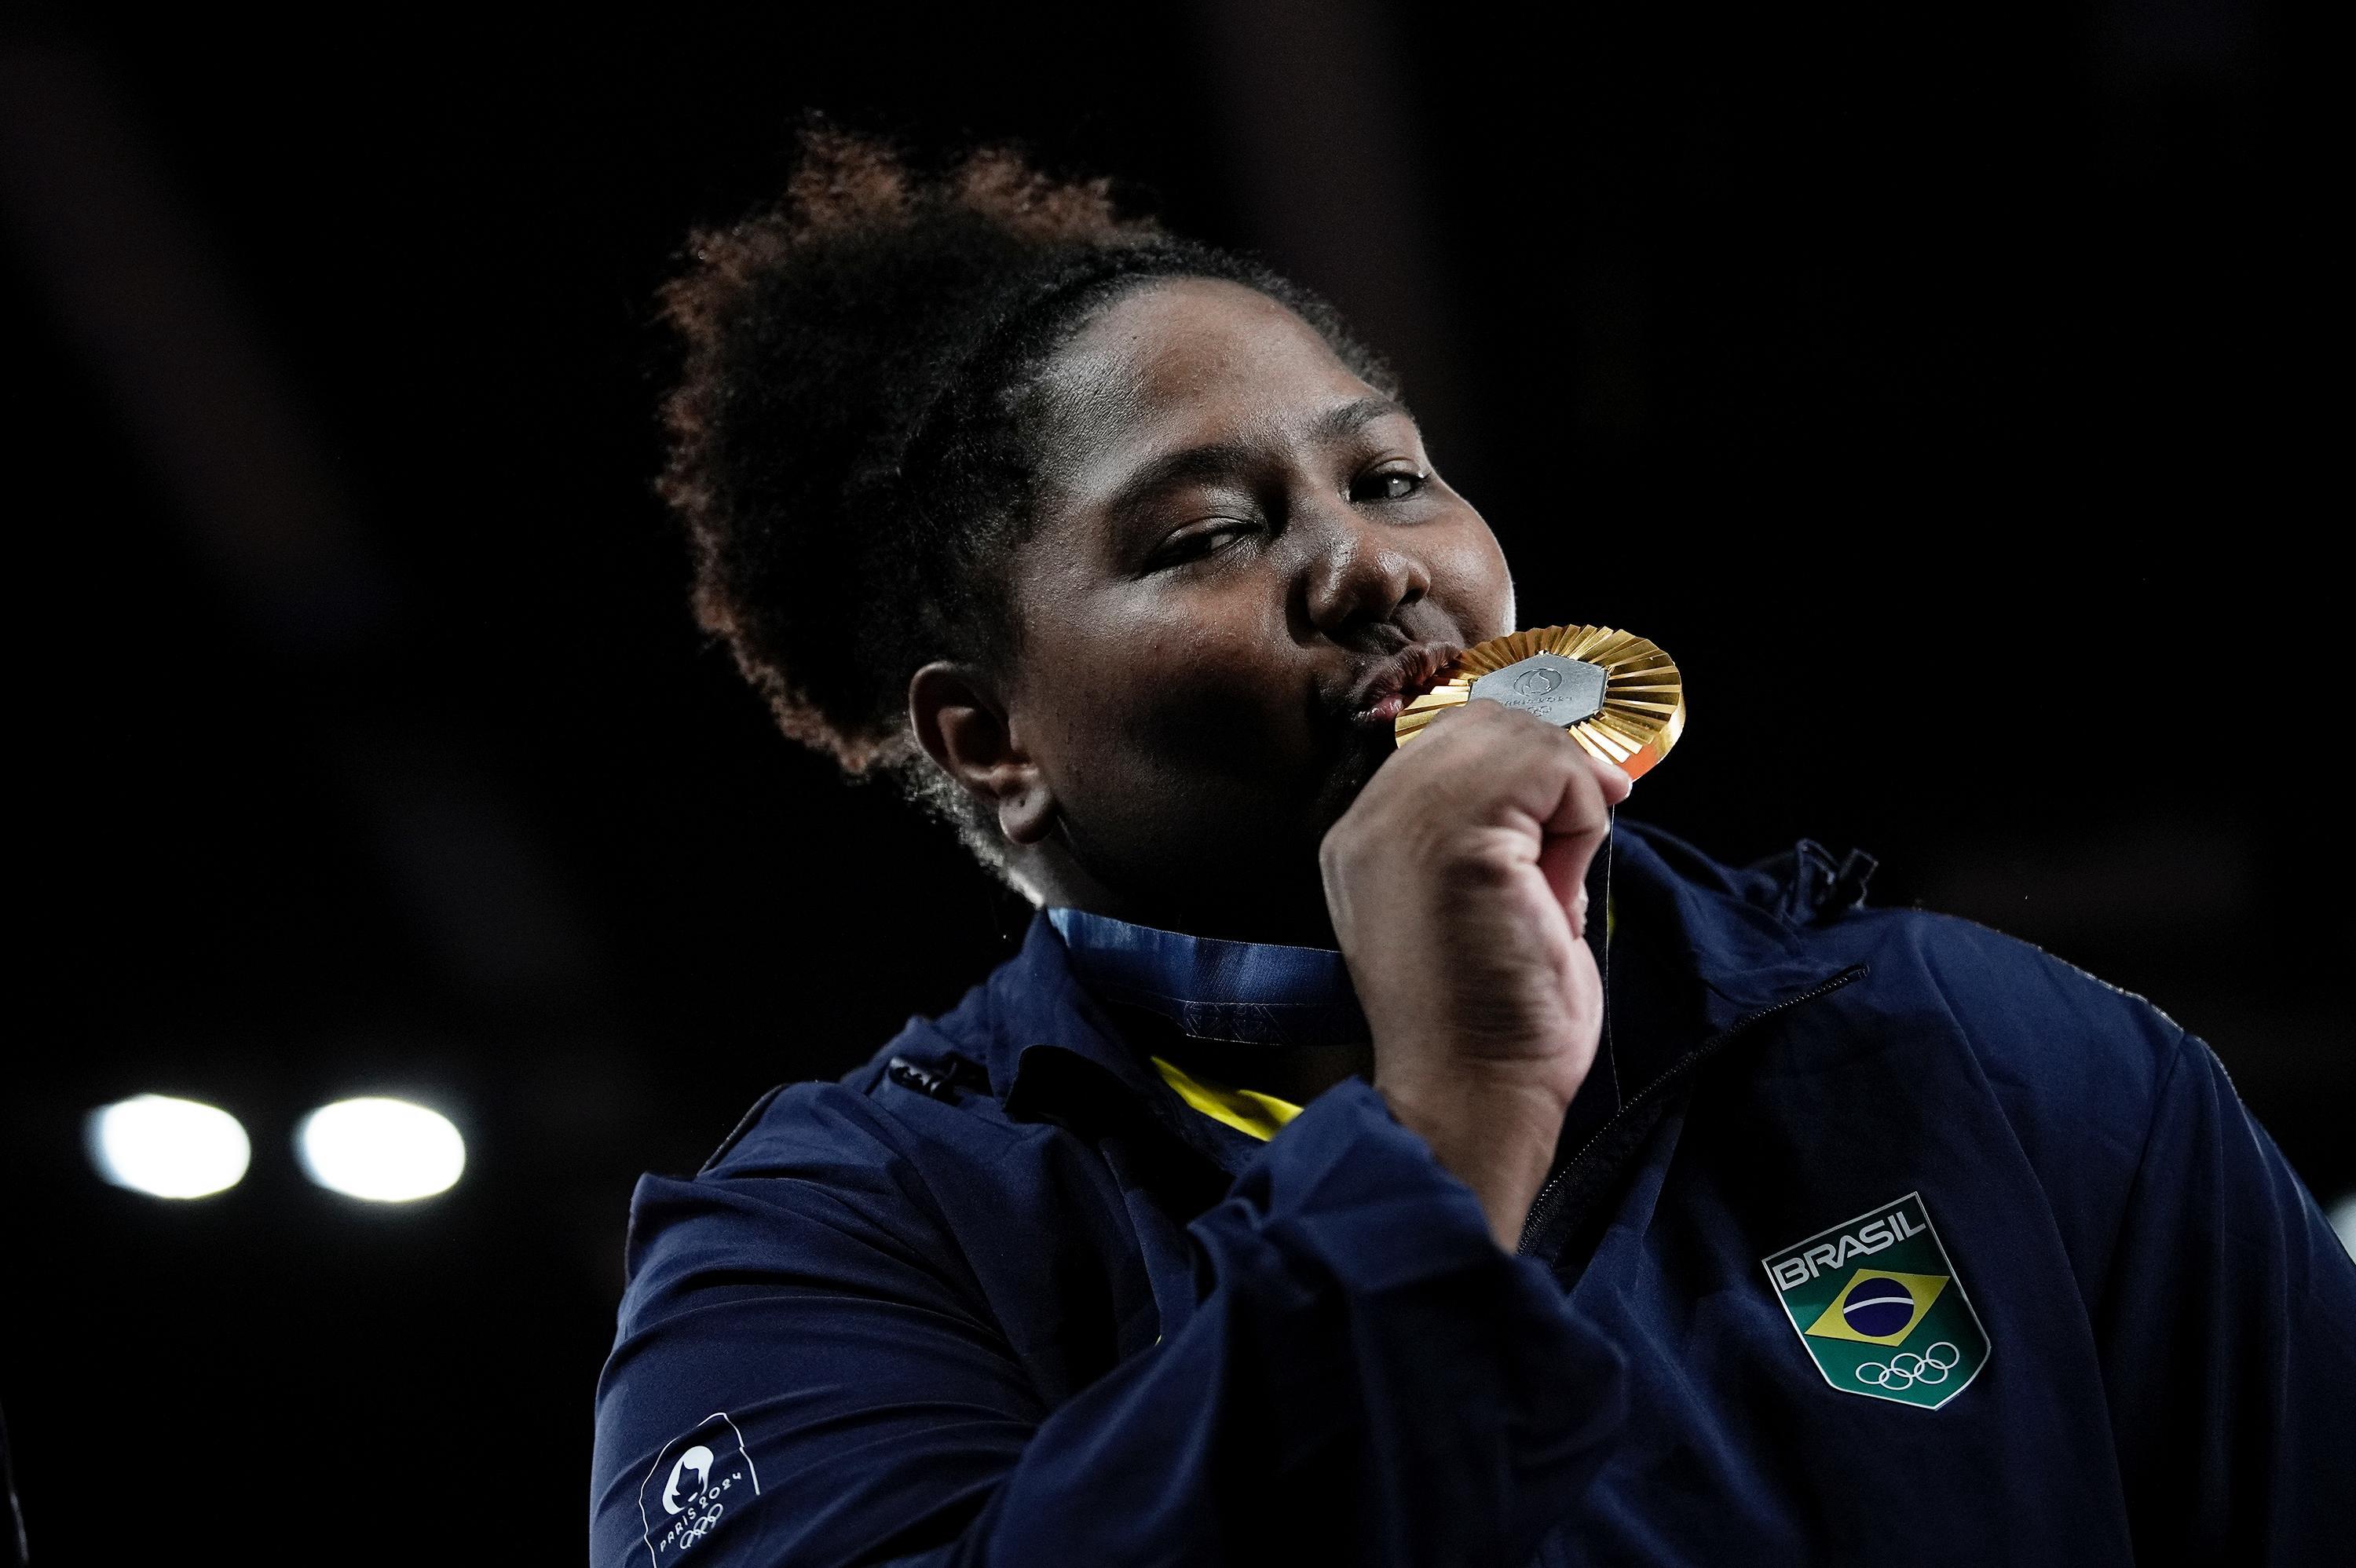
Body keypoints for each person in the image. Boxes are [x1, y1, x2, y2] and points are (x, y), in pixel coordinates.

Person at [589, 133, 2356, 1566]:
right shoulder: (831, 1248)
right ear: (994, 741)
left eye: (1393, 477)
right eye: (1209, 533)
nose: (1371, 569)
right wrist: (1451, 1117)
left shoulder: (1996, 1054)